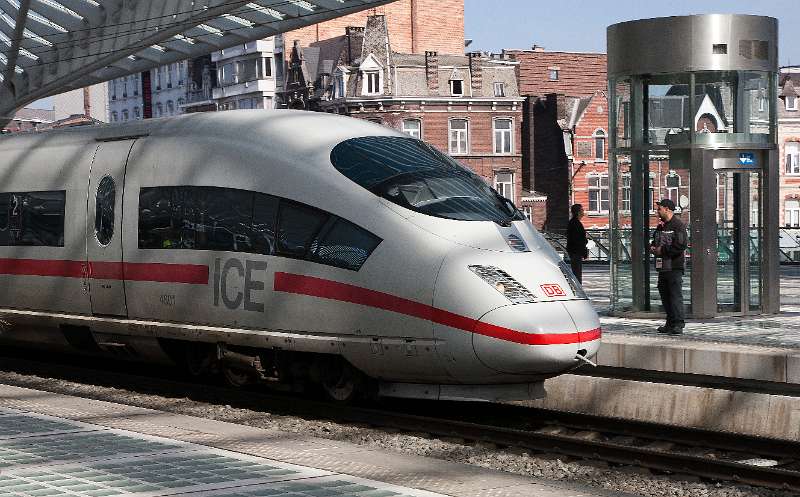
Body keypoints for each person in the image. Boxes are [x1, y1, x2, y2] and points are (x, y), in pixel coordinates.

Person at [650, 198, 688, 335]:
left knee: (675, 296)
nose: (657, 212)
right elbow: (655, 240)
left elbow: (681, 245)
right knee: (665, 295)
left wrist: (663, 251)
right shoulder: (662, 226)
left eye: (659, 209)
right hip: (663, 267)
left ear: (667, 209)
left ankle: (678, 324)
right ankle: (670, 323)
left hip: (674, 267)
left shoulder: (678, 225)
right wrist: (653, 247)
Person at [566, 203, 588, 283]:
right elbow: (577, 238)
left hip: (575, 251)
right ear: (578, 212)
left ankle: (578, 287)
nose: (583, 212)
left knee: (577, 272)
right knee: (577, 273)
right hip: (576, 251)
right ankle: (578, 289)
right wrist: (584, 242)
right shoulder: (575, 223)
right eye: (582, 210)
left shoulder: (573, 222)